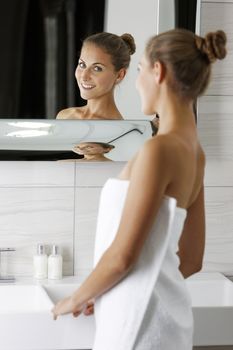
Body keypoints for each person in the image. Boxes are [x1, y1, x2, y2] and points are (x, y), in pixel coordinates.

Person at [52, 28, 227, 349]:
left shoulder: (158, 150)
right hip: (168, 324)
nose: (136, 82)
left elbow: (121, 257)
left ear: (157, 72)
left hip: (137, 327)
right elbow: (191, 260)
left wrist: (78, 297)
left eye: (139, 71)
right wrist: (104, 289)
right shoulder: (193, 151)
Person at [56, 32, 136, 120]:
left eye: (97, 68)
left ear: (119, 75)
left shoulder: (118, 129)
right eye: (82, 64)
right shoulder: (65, 116)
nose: (84, 76)